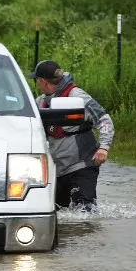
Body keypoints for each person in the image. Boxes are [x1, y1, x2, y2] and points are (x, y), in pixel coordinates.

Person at [30, 60, 115, 211]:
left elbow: (104, 120)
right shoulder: (40, 102)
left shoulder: (78, 98)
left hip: (82, 166)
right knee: (57, 214)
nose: (36, 84)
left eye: (36, 80)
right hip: (56, 171)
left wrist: (103, 148)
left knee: (84, 213)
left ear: (42, 81)